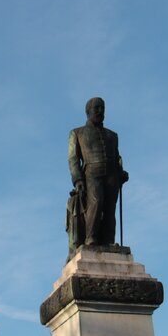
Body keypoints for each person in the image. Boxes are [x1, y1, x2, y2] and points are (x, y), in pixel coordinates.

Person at [68, 97, 129, 249]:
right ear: (88, 111)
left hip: (111, 175)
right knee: (96, 202)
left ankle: (108, 240)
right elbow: (73, 159)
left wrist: (121, 173)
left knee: (110, 208)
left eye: (102, 108)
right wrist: (78, 180)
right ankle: (91, 239)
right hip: (91, 173)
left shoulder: (112, 136)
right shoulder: (77, 133)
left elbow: (116, 157)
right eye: (97, 108)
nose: (100, 111)